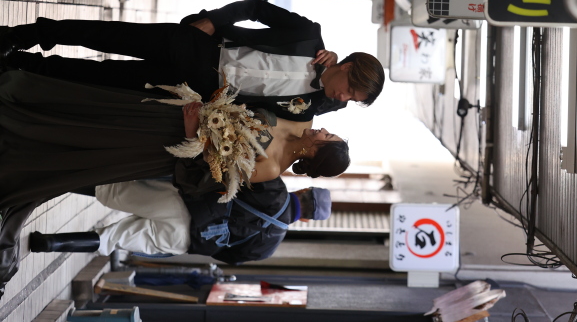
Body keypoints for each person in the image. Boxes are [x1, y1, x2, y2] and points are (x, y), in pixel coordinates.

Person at [0, 70, 350, 297]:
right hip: (174, 129)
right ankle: (34, 136)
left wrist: (192, 134)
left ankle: (27, 151)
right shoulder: (296, 122)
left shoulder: (272, 171)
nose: (324, 130)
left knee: (102, 160)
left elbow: (214, 173)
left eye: (328, 136)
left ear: (316, 151)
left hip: (172, 143)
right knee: (104, 138)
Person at [0, 0, 385, 121]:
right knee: (105, 34)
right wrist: (213, 21)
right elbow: (256, 7)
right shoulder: (307, 36)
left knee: (106, 77)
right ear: (348, 67)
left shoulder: (311, 107)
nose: (344, 98)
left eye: (352, 100)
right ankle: (19, 37)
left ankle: (21, 65)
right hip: (200, 46)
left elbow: (295, 114)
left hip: (197, 88)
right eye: (351, 89)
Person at [29, 177, 332, 266]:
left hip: (184, 203)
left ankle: (50, 179)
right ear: (306, 219)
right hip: (184, 241)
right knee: (113, 239)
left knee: (111, 190)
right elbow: (225, 255)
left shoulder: (275, 187)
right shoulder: (269, 248)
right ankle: (50, 243)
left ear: (304, 189)